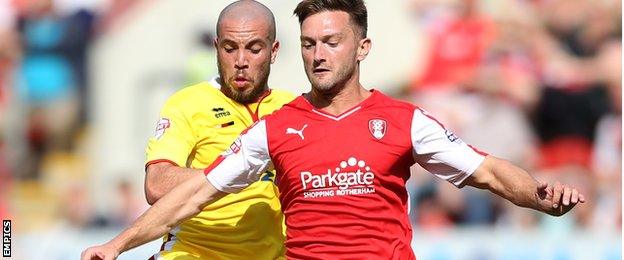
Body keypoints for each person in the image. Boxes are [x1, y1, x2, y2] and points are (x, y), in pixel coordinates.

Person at [82, 0, 585, 259]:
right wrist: (116, 245)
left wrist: (540, 195)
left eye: (331, 42)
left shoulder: (405, 121)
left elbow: (489, 172)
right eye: (308, 43)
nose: (318, 54)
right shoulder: (273, 129)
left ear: (362, 48)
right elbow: (190, 197)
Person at [142, 1, 293, 259]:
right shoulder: (187, 103)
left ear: (273, 51)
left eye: (254, 49)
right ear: (216, 49)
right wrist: (237, 172)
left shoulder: (293, 109)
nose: (241, 61)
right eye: (229, 49)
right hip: (193, 253)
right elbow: (156, 184)